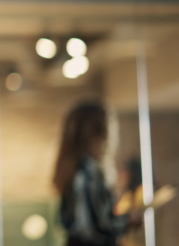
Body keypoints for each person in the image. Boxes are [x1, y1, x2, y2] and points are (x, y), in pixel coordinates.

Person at [52, 101, 140, 246]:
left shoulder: (78, 170)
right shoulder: (87, 173)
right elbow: (95, 230)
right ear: (100, 132)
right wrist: (126, 222)